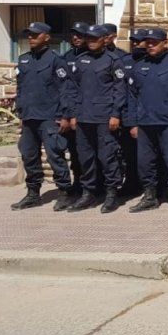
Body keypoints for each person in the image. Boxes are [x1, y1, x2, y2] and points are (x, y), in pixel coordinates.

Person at [10, 22, 78, 211]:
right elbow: (21, 88)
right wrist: (21, 112)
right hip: (29, 117)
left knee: (55, 155)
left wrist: (65, 116)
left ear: (46, 37)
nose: (30, 38)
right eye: (29, 35)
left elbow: (65, 90)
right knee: (28, 155)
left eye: (35, 35)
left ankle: (65, 192)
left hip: (50, 117)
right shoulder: (24, 60)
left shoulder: (56, 60)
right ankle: (33, 194)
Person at [127, 28, 168, 214]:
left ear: (165, 42)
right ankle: (150, 197)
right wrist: (133, 123)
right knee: (144, 163)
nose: (150, 45)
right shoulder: (139, 66)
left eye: (154, 42)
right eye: (148, 42)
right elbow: (132, 96)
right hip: (144, 123)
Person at [67, 24, 127, 213]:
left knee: (107, 157)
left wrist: (115, 114)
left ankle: (111, 194)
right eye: (89, 39)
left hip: (104, 117)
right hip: (83, 117)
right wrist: (73, 114)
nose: (91, 42)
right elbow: (73, 89)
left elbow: (120, 90)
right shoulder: (81, 60)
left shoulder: (113, 60)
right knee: (85, 158)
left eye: (95, 38)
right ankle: (88, 193)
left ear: (104, 40)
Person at [62, 22, 90, 196]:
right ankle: (78, 183)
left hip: (90, 113)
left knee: (92, 153)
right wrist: (67, 114)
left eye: (79, 35)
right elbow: (64, 87)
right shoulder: (66, 57)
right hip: (70, 112)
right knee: (74, 151)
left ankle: (94, 186)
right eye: (73, 34)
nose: (75, 38)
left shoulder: (95, 56)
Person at [120, 28, 148, 196]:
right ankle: (131, 183)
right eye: (134, 41)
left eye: (139, 41)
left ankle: (152, 186)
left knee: (151, 154)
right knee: (129, 153)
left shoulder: (152, 61)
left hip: (148, 114)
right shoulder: (125, 61)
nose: (136, 44)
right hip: (128, 114)